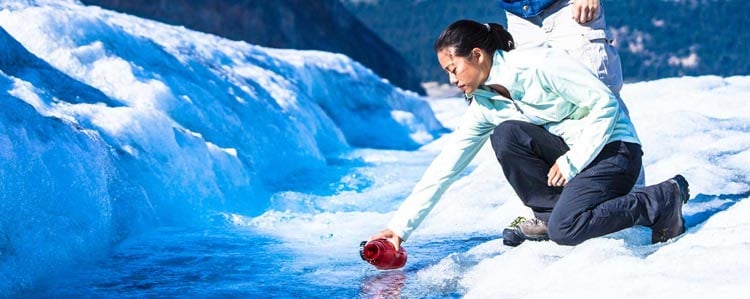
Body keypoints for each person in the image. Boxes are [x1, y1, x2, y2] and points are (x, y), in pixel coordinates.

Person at [369, 20, 690, 251]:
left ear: (478, 55)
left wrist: (573, 161)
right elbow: (446, 167)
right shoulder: (485, 104)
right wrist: (398, 229)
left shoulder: (538, 63)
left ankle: (661, 198)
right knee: (506, 134)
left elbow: (604, 104)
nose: (452, 80)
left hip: (614, 150)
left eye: (453, 69)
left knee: (568, 230)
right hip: (574, 159)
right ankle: (552, 216)